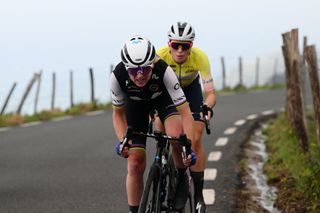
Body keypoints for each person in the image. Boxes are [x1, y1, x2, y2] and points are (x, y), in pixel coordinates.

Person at [110, 35, 196, 213]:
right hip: (135, 106)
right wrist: (122, 141)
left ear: (153, 64)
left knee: (175, 136)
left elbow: (186, 113)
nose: (140, 75)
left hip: (163, 100)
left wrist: (189, 146)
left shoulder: (164, 71)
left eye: (145, 69)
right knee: (134, 163)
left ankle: (181, 177)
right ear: (126, 68)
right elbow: (118, 114)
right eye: (134, 71)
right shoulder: (117, 76)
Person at [156, 22, 216, 213]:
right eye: (175, 45)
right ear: (169, 44)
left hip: (191, 92)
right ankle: (166, 167)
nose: (180, 51)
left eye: (186, 46)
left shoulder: (201, 58)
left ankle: (198, 195)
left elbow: (211, 93)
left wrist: (207, 106)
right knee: (169, 134)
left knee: (195, 138)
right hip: (167, 93)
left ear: (192, 46)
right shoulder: (160, 56)